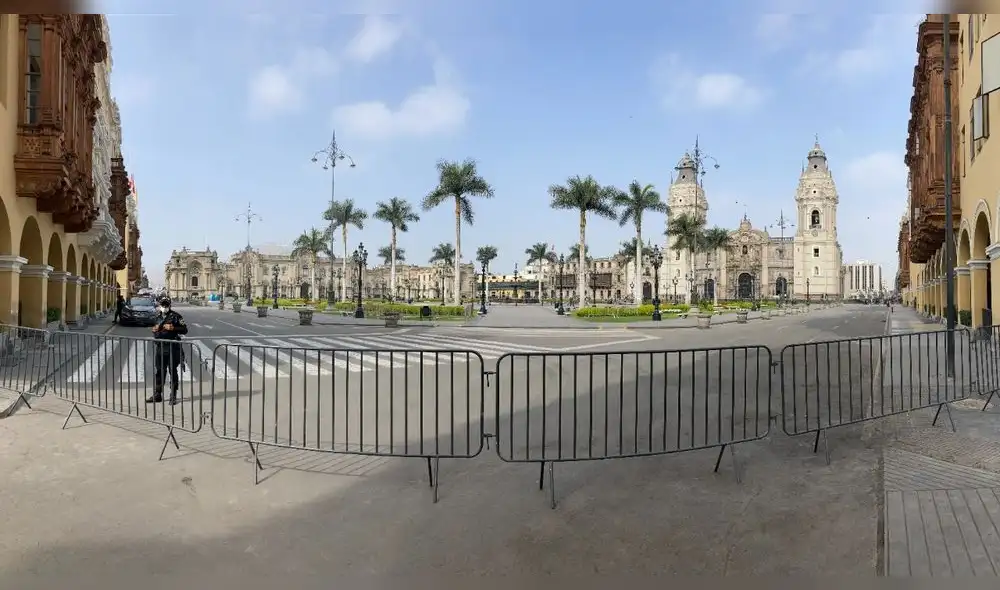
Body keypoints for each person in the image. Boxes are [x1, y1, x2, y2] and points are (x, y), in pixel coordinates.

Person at [146, 295, 188, 405]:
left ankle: (173, 395)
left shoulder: (176, 317)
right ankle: (158, 394)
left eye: (166, 304)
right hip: (160, 347)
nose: (164, 306)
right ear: (159, 305)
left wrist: (173, 328)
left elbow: (185, 330)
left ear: (169, 305)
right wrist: (154, 330)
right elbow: (155, 328)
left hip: (172, 347)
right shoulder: (157, 316)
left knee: (172, 371)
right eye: (162, 304)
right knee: (159, 371)